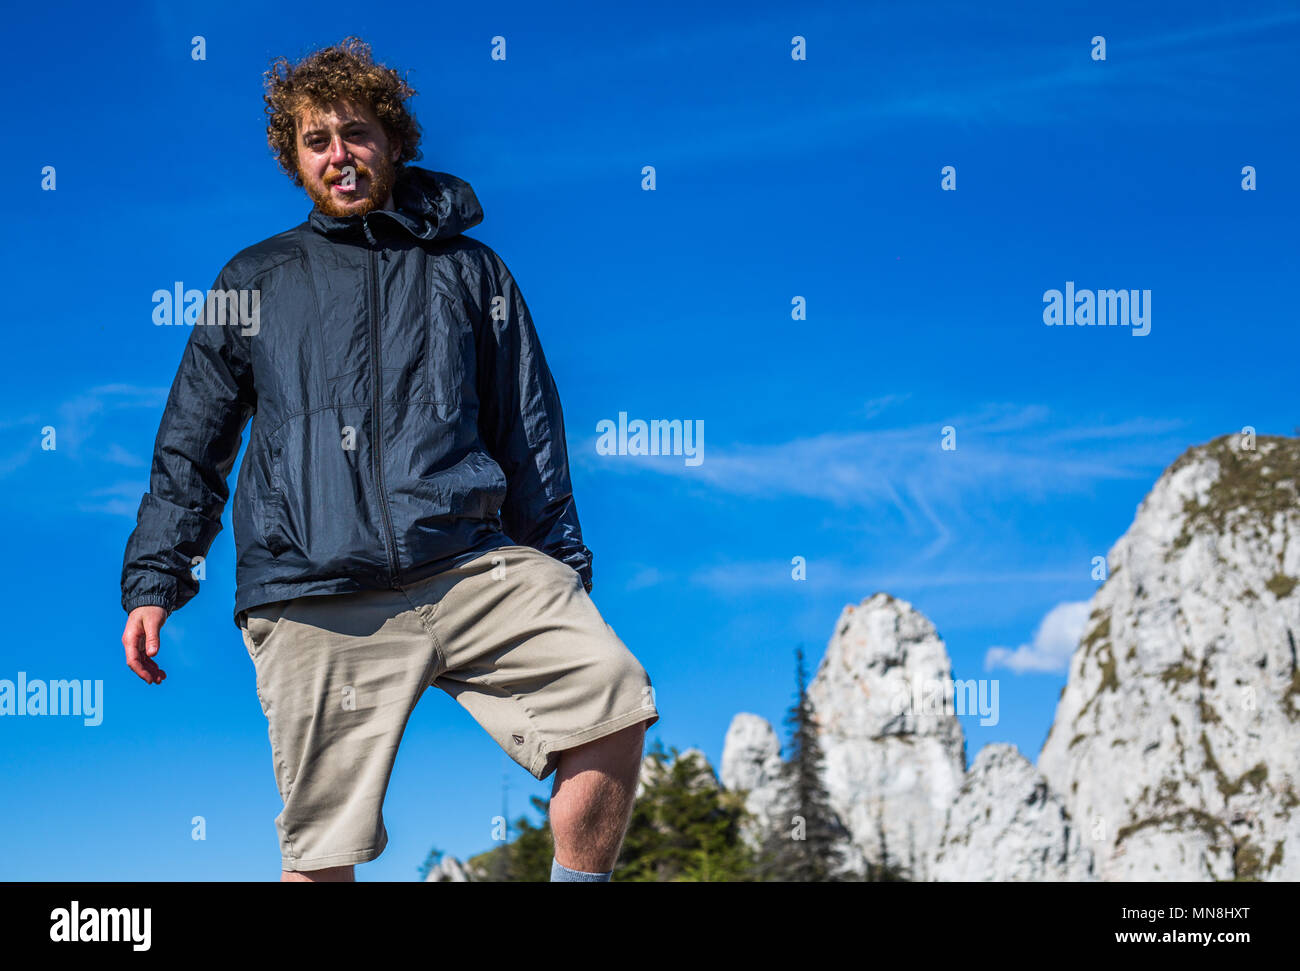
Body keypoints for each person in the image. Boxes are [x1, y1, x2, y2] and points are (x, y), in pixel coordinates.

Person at [118, 37, 659, 883]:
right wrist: (157, 579)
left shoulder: (471, 272)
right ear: (294, 158)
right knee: (323, 851)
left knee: (613, 699)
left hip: (467, 563)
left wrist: (559, 566)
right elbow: (192, 441)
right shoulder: (252, 279)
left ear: (394, 140)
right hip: (313, 587)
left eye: (357, 133)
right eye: (317, 140)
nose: (340, 156)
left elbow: (528, 427)